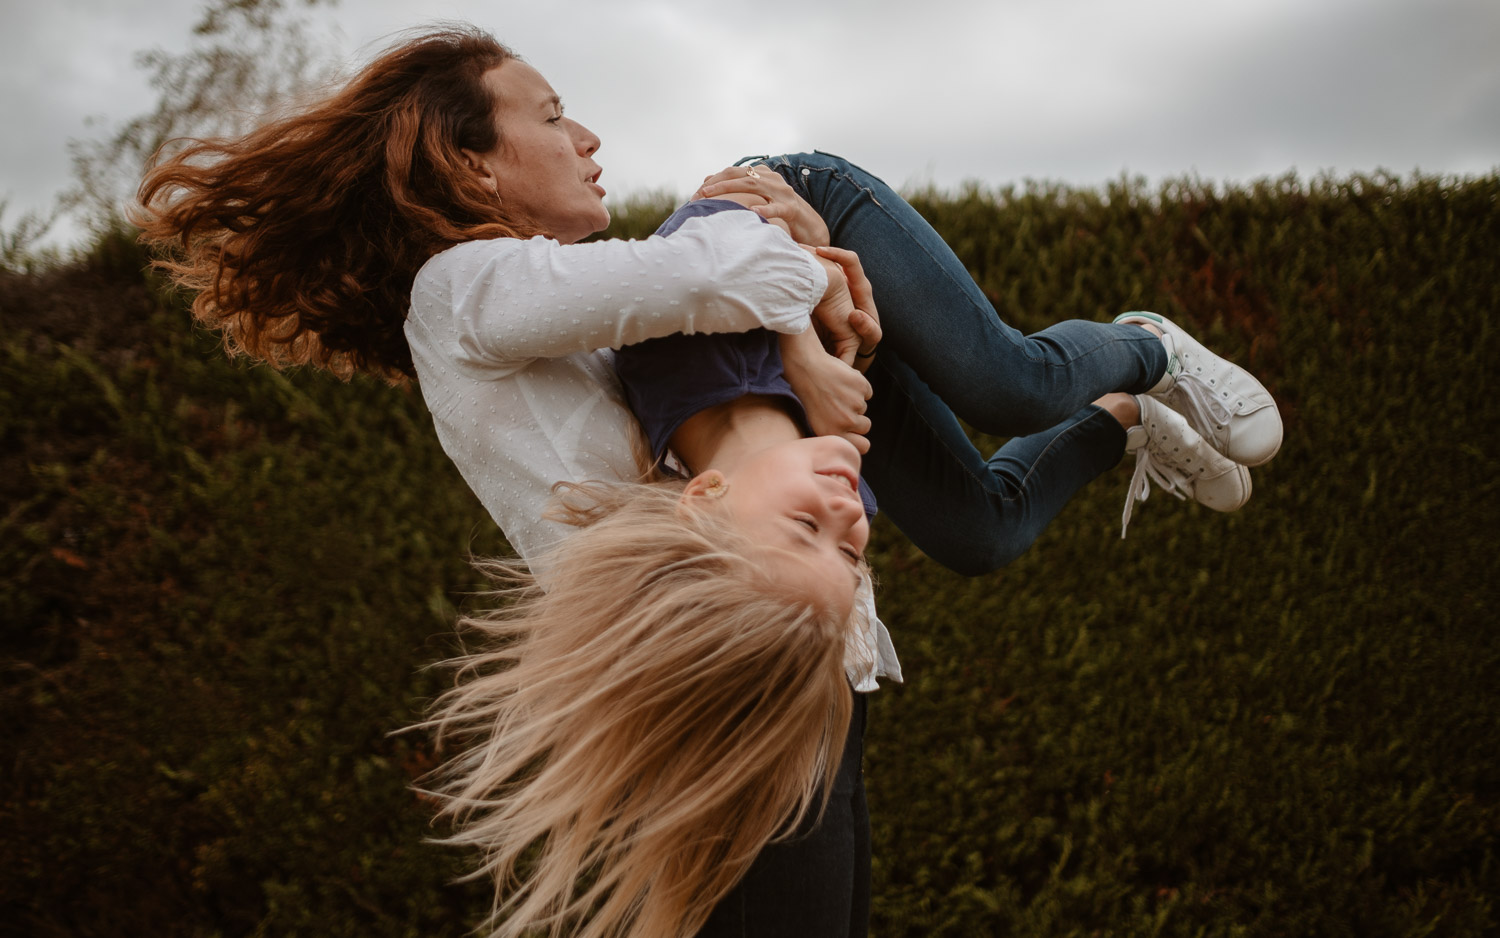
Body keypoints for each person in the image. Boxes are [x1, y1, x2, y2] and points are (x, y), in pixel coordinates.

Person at [132, 25, 1282, 938]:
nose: (587, 137)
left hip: (794, 196)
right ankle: (1125, 422)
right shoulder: (474, 290)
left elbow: (721, 264)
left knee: (1009, 380)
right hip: (762, 623)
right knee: (980, 527)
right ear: (469, 158)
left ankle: (1145, 344)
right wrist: (813, 328)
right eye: (550, 114)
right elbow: (709, 310)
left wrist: (803, 287)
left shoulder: (511, 290)